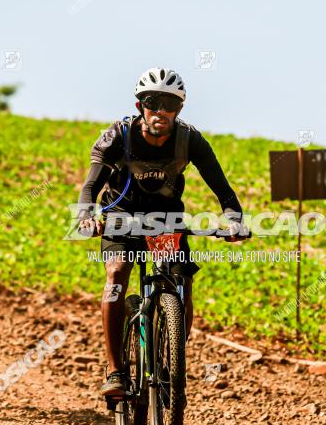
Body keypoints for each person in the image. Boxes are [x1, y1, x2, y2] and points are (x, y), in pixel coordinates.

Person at [76, 67, 246, 397]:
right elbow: (90, 187)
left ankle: (171, 362)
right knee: (117, 275)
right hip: (121, 217)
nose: (162, 111)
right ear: (141, 106)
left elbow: (223, 188)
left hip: (166, 219)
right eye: (153, 103)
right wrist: (86, 217)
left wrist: (235, 219)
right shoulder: (119, 135)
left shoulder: (189, 139)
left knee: (181, 281)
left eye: (170, 104)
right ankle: (115, 373)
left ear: (179, 109)